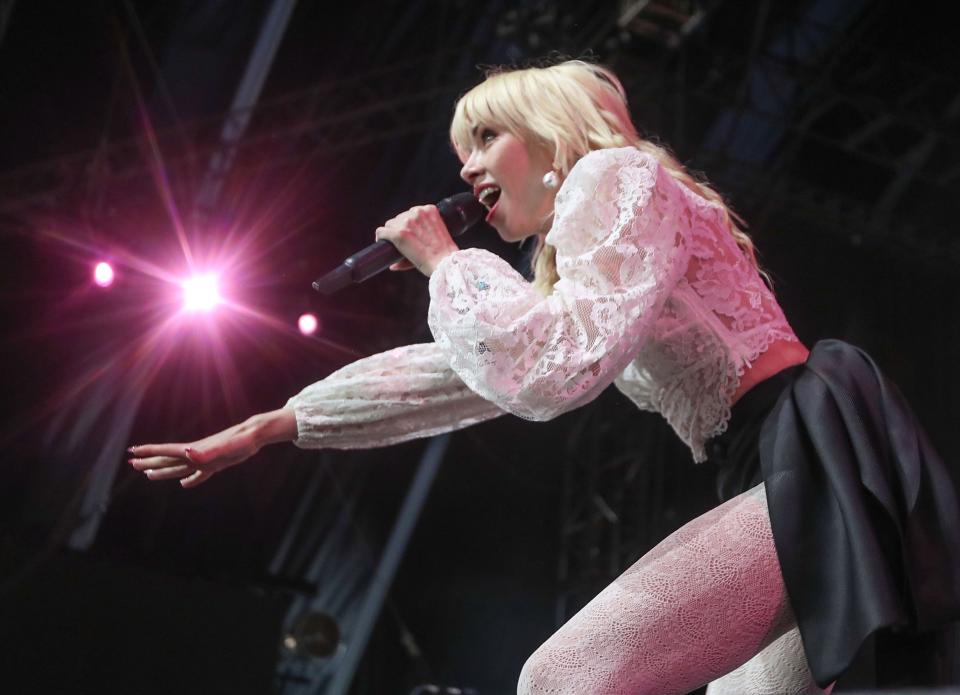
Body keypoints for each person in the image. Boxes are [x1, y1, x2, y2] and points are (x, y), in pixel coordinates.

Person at [128, 60, 960, 694]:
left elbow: (555, 367)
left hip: (802, 453)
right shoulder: (594, 250)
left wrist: (449, 265)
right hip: (774, 467)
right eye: (462, 151)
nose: (466, 169)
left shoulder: (617, 177)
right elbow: (473, 368)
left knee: (560, 679)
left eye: (485, 139)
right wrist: (278, 422)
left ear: (550, 132)